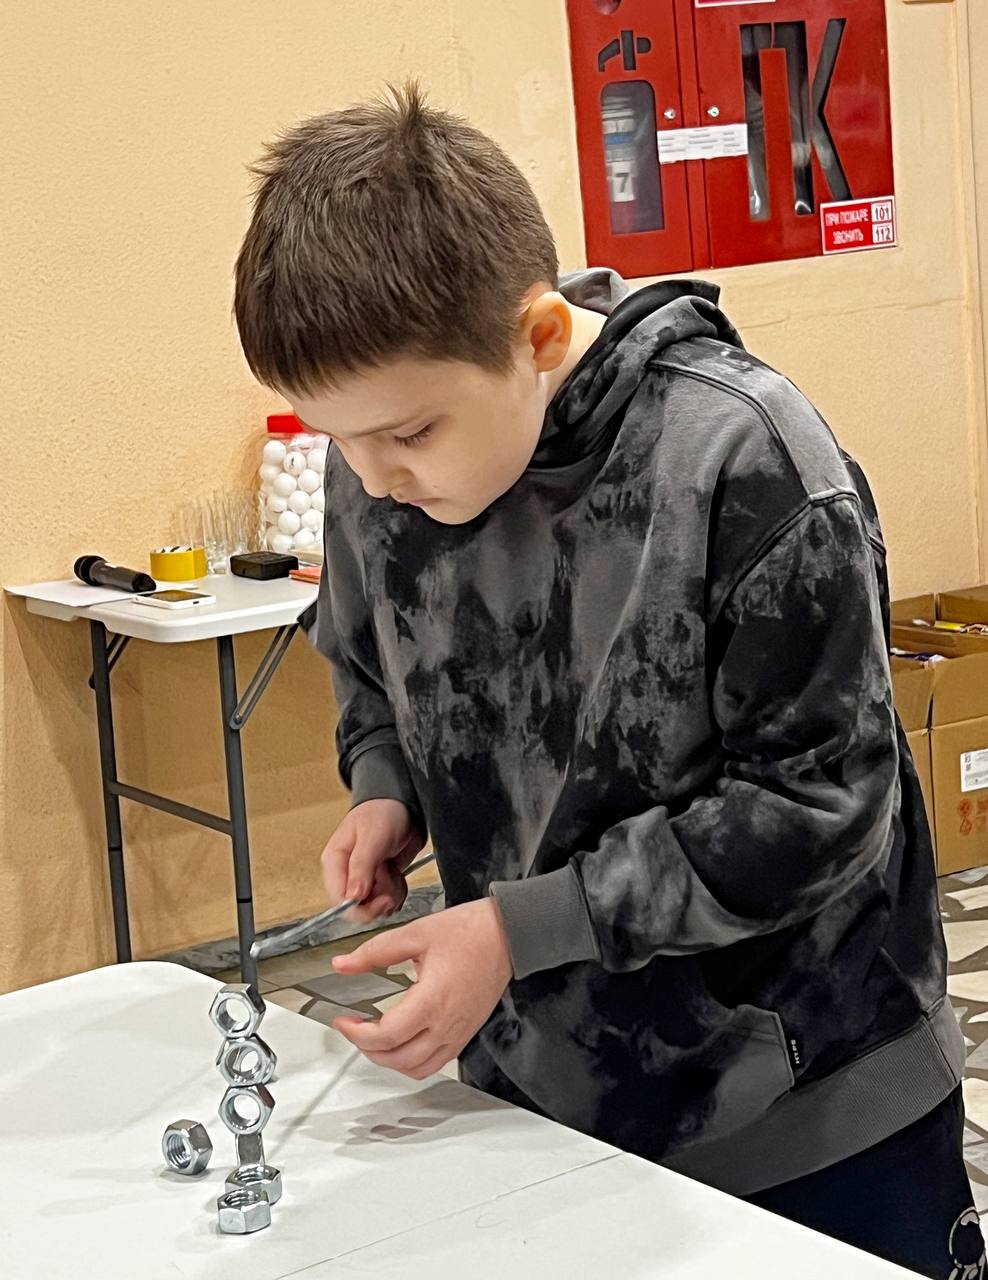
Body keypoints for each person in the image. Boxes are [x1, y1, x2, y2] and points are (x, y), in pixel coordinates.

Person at [233, 83, 981, 1277]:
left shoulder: (739, 456)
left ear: (537, 337)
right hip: (543, 1091)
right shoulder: (377, 463)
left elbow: (816, 807)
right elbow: (368, 657)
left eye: (409, 435)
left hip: (810, 1110)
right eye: (340, 437)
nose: (371, 479)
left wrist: (519, 926)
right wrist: (385, 784)